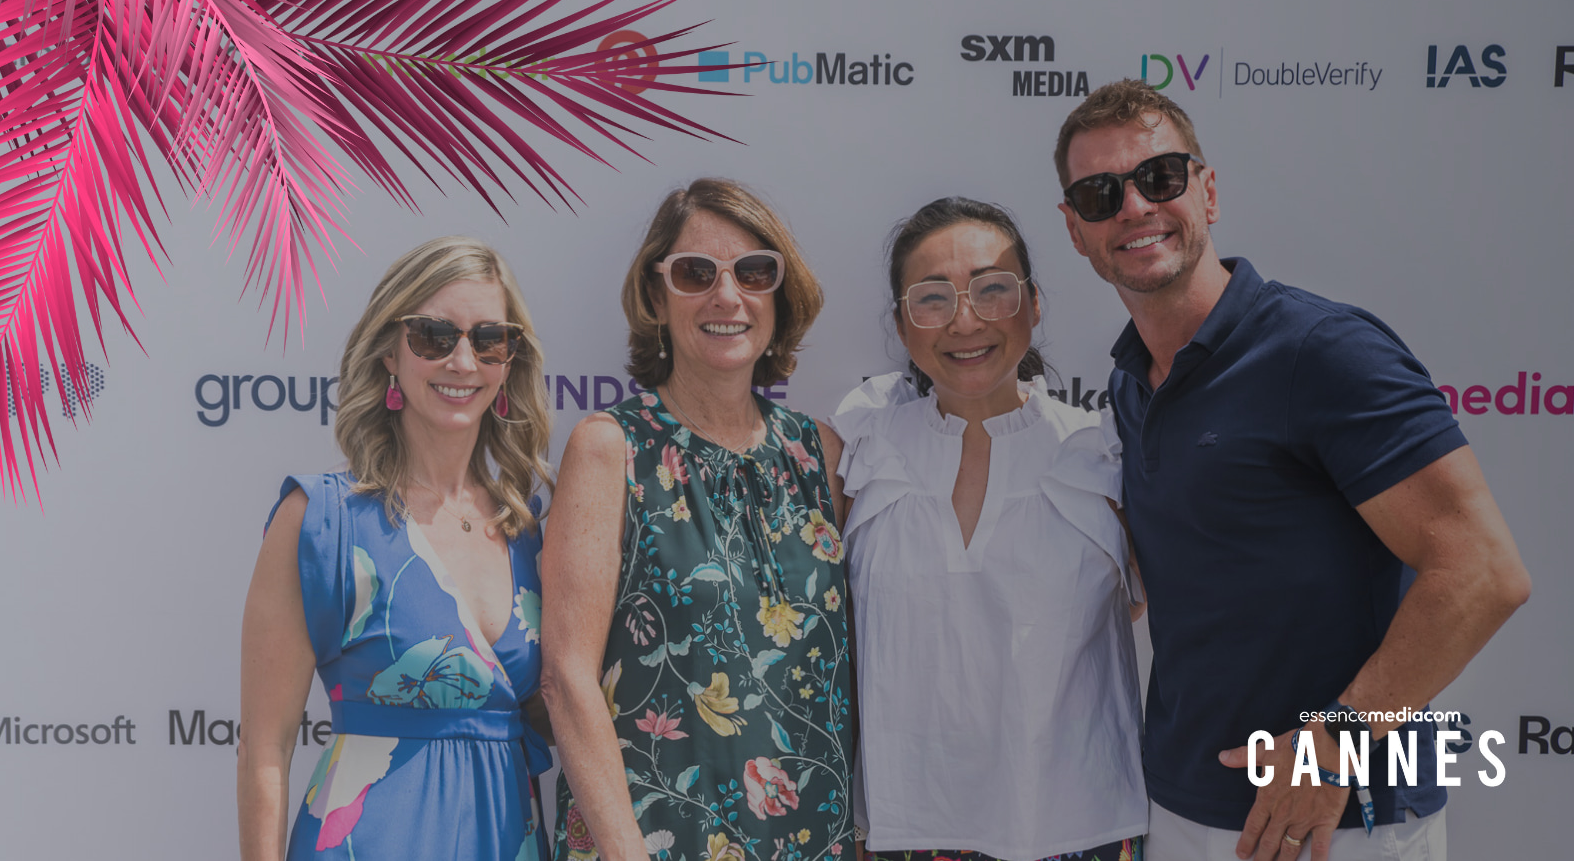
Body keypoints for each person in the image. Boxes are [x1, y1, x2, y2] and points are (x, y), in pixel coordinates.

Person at [1053, 79, 1531, 861]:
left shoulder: (1323, 350)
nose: (1135, 206)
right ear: (1076, 230)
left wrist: (1333, 744)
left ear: (1207, 190)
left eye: (1160, 178)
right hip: (1179, 805)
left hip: (1343, 821)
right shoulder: (1130, 378)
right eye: (1101, 194)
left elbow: (1483, 571)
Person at [540, 178, 853, 861]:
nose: (727, 295)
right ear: (656, 296)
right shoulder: (609, 450)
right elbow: (566, 676)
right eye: (694, 273)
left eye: (754, 271)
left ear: (779, 291)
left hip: (812, 843)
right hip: (655, 842)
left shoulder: (820, 455)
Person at [831, 197, 1146, 861]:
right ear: (902, 323)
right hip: (901, 830)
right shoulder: (861, 447)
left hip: (1077, 828)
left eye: (992, 290)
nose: (965, 321)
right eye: (933, 298)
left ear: (1033, 304)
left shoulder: (1103, 450)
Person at [238, 236, 556, 861]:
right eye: (435, 336)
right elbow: (264, 751)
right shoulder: (321, 522)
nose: (464, 361)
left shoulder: (528, 530)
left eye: (489, 339)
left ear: (509, 360)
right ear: (390, 350)